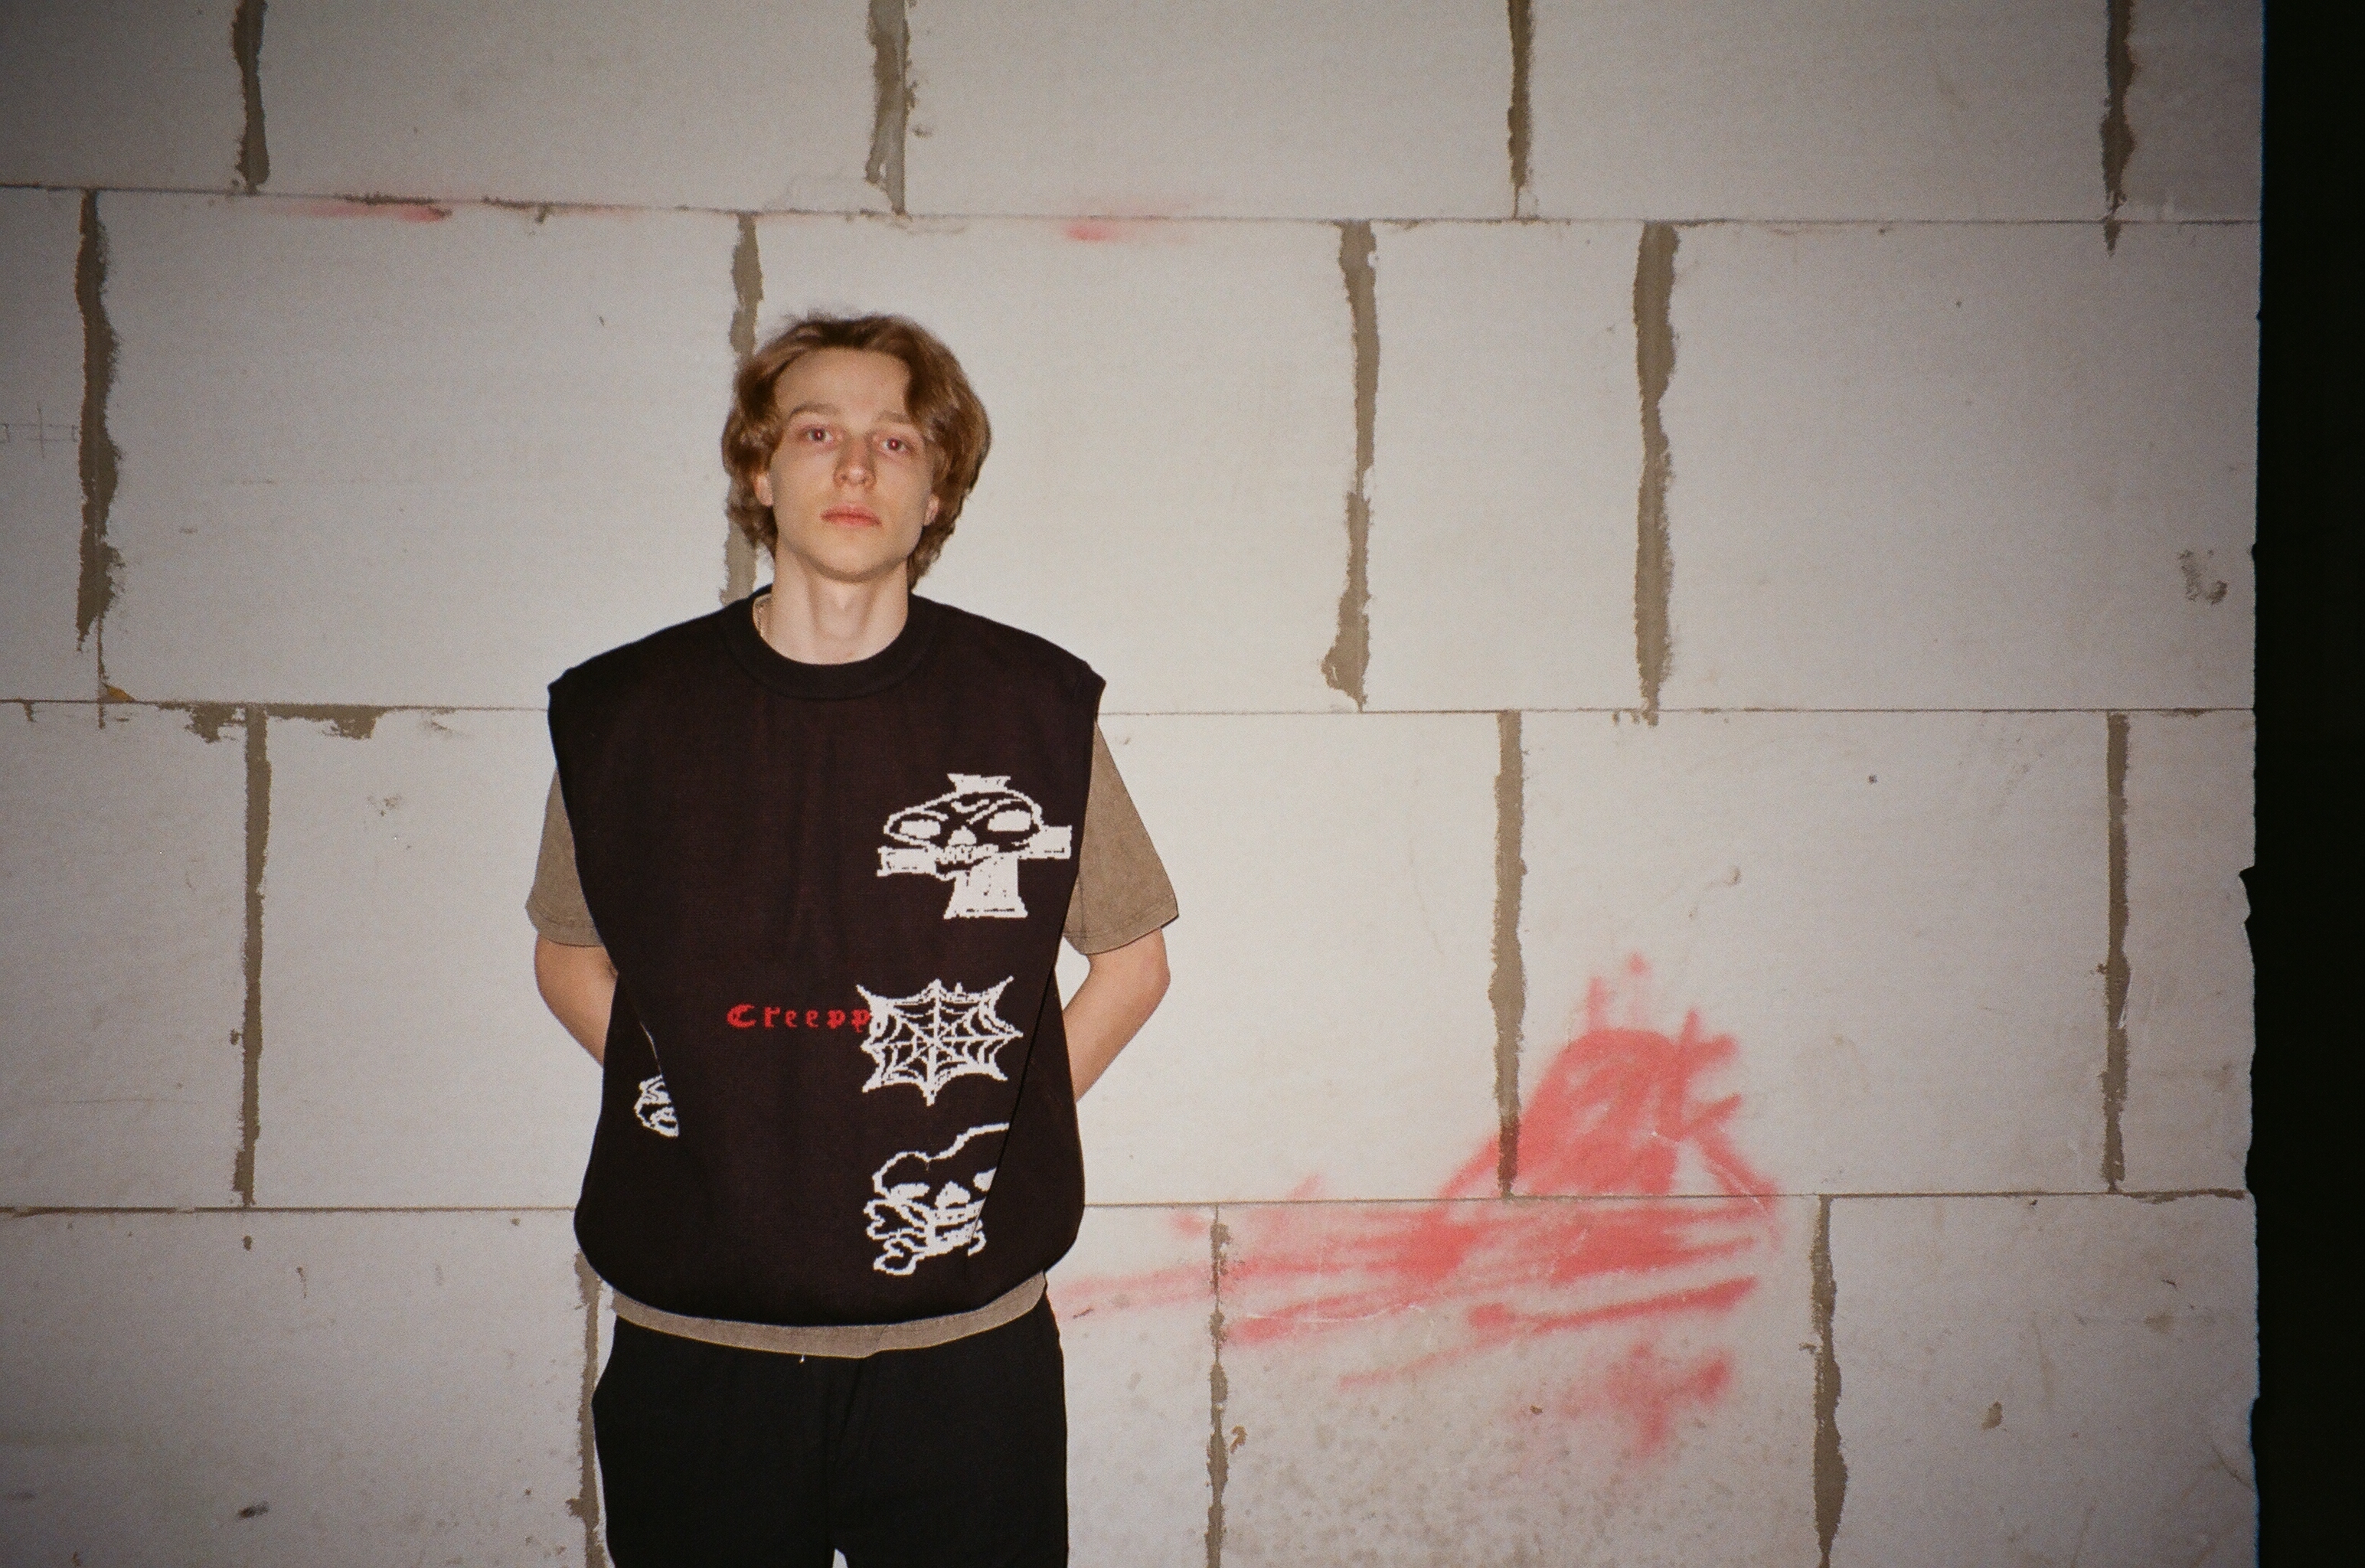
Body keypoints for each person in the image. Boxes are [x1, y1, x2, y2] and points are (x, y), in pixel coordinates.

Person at [525, 313, 1176, 1566]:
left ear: (937, 491)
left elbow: (1131, 964)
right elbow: (569, 955)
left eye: (897, 440)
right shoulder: (628, 717)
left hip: (963, 1354)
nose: (859, 466)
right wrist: (719, 1099)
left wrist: (1000, 1126)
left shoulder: (1030, 708)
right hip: (697, 1342)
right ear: (759, 471)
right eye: (818, 433)